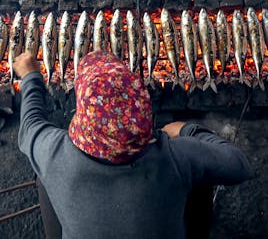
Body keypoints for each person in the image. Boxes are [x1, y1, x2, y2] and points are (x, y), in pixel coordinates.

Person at [14, 49, 253, 239]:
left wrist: (31, 76)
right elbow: (240, 166)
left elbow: (31, 123)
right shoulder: (176, 156)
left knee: (44, 179)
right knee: (201, 175)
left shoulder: (54, 155)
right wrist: (186, 129)